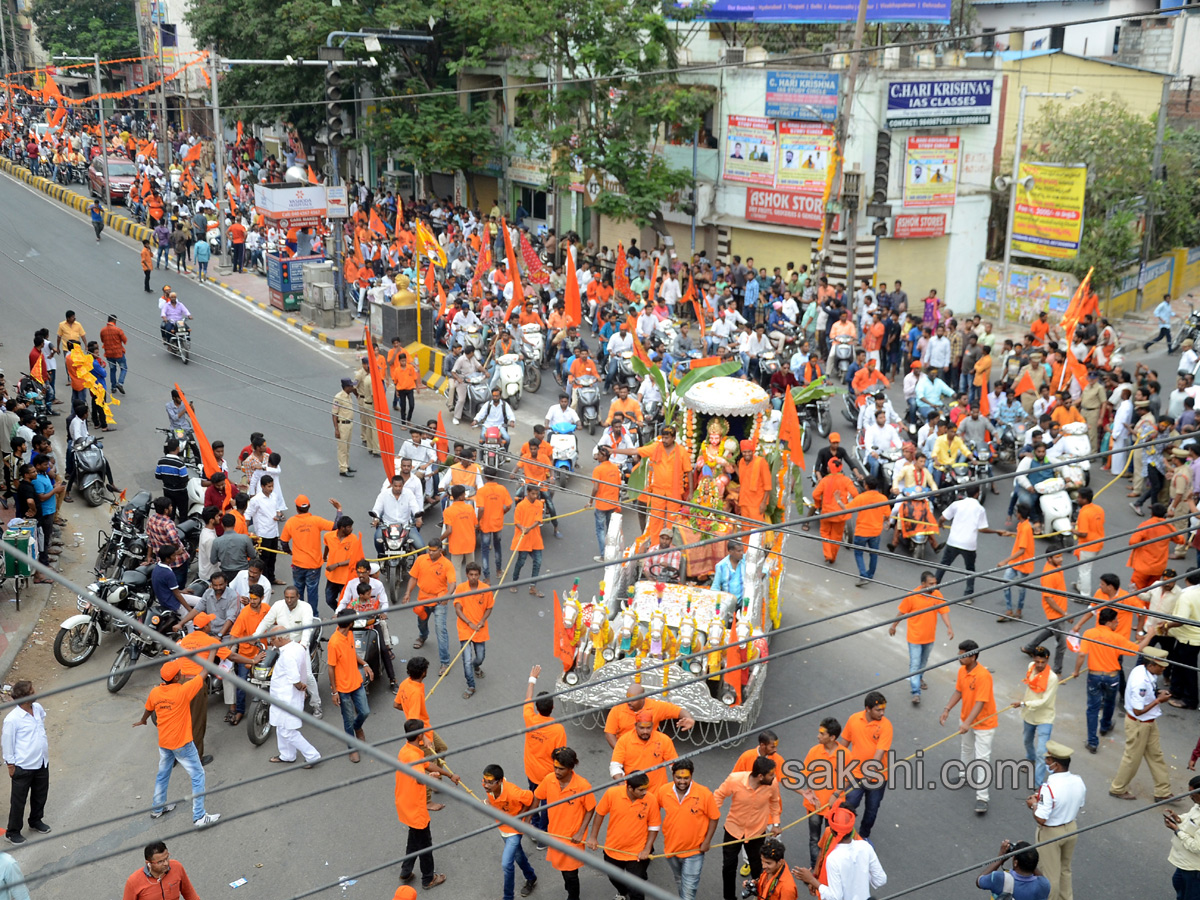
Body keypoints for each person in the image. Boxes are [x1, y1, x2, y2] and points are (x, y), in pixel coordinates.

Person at [133, 660, 219, 828]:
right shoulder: (183, 690)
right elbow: (202, 675)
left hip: (164, 742)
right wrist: (211, 656)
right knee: (198, 775)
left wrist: (143, 720)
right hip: (182, 744)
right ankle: (199, 816)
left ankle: (158, 808)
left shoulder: (155, 692)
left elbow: (149, 708)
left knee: (163, 773)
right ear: (178, 676)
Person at [1072, 608, 1159, 753]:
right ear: (1110, 622)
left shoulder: (1089, 633)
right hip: (1112, 677)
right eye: (1116, 621)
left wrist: (1076, 671)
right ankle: (1105, 726)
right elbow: (1136, 649)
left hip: (1094, 676)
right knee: (1110, 702)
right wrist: (1150, 635)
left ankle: (1092, 742)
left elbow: (1082, 654)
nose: (1117, 623)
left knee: (1092, 708)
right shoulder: (1116, 638)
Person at [396, 717, 458, 890]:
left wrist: (448, 775)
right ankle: (428, 879)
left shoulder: (407, 750)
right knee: (425, 844)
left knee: (414, 838)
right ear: (419, 735)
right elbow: (419, 776)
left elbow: (428, 765)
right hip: (416, 808)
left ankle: (406, 871)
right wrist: (429, 778)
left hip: (404, 803)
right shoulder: (414, 755)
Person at [940, 640, 998, 814]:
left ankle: (982, 797)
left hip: (984, 724)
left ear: (973, 656)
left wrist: (967, 723)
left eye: (963, 655)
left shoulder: (983, 676)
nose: (959, 657)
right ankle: (964, 776)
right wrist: (947, 709)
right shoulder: (962, 671)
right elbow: (959, 691)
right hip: (967, 719)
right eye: (959, 654)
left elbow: (980, 703)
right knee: (966, 749)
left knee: (982, 759)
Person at [1110, 645, 1174, 801]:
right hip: (1139, 723)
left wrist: (1157, 693)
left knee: (1156, 755)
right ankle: (1117, 788)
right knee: (1132, 758)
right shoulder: (1141, 682)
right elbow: (1138, 711)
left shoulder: (1143, 670)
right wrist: (1159, 700)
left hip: (1149, 722)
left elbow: (1150, 690)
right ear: (1151, 664)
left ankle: (1162, 792)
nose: (1163, 670)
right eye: (1160, 666)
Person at [714, 756, 781, 900]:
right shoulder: (734, 779)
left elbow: (775, 803)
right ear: (760, 776)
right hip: (733, 830)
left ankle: (760, 894)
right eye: (771, 774)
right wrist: (712, 815)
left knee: (758, 866)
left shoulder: (772, 784)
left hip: (757, 833)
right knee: (729, 867)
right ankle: (729, 897)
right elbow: (718, 795)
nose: (774, 776)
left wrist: (776, 824)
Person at [535, 746, 596, 900]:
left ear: (570, 768)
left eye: (561, 769)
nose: (557, 772)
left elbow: (590, 808)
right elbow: (537, 796)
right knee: (564, 871)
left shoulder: (583, 786)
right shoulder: (549, 780)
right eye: (555, 767)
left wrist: (581, 831)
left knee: (570, 874)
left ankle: (574, 897)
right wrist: (528, 820)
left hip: (572, 839)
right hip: (555, 835)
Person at [588, 771, 660, 900]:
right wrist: (593, 837)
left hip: (636, 853)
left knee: (636, 891)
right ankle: (622, 893)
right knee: (615, 878)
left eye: (646, 789)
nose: (645, 792)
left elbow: (654, 826)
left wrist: (647, 849)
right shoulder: (612, 794)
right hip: (613, 850)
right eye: (641, 790)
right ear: (630, 788)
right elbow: (599, 813)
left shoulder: (651, 799)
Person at [655, 759, 720, 900]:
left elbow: (714, 818)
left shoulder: (704, 794)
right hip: (671, 849)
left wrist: (707, 841)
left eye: (686, 778)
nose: (682, 781)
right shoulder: (663, 791)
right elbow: (652, 810)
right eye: (678, 777)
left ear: (692, 776)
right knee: (680, 880)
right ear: (673, 775)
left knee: (689, 889)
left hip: (695, 851)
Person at [1028, 740, 1085, 900]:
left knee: (1049, 875)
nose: (1046, 762)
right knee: (1065, 870)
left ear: (1056, 765)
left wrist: (1034, 805)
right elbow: (1079, 804)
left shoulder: (1049, 787)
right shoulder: (1078, 781)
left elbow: (1041, 819)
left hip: (1051, 834)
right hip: (1071, 828)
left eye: (1048, 760)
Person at [792, 807, 886, 900]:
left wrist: (811, 880)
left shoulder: (834, 858)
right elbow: (880, 880)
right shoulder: (865, 846)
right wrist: (860, 871)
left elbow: (835, 897)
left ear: (832, 831)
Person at [889, 572, 953, 705]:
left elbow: (944, 610)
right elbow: (902, 612)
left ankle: (919, 678)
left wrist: (949, 627)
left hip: (929, 637)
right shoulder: (911, 596)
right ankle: (915, 692)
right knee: (915, 664)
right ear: (923, 584)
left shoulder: (937, 594)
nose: (934, 586)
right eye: (931, 584)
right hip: (914, 638)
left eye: (935, 583)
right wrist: (894, 626)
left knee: (923, 663)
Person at [1, 680, 49, 845]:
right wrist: (11, 765)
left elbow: (41, 721)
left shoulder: (37, 708)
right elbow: (7, 743)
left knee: (40, 795)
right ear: (23, 698)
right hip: (23, 767)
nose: (35, 692)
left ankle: (35, 821)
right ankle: (12, 832)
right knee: (18, 801)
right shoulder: (12, 720)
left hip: (42, 762)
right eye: (31, 692)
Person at [935, 485, 1004, 598]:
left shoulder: (957, 504)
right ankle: (968, 593)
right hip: (969, 545)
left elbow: (942, 518)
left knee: (944, 564)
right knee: (970, 569)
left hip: (953, 541)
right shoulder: (980, 509)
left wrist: (940, 524)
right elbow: (982, 529)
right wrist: (996, 531)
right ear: (977, 494)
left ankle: (934, 587)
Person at [838, 692, 891, 838]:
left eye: (883, 709)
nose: (882, 713)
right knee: (848, 806)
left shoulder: (886, 725)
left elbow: (880, 752)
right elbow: (844, 744)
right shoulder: (854, 719)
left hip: (877, 778)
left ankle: (863, 836)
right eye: (878, 710)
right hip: (855, 775)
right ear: (868, 708)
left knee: (872, 810)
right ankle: (843, 835)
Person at [482, 763, 539, 900]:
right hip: (502, 828)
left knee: (507, 864)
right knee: (518, 856)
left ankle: (508, 897)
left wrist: (524, 820)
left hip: (514, 830)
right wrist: (488, 804)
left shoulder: (513, 792)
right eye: (484, 781)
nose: (486, 785)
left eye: (490, 782)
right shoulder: (488, 787)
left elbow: (532, 798)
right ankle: (531, 877)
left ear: (500, 781)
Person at [265, 630, 321, 767]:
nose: (270, 642)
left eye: (272, 639)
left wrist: (301, 687)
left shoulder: (287, 655)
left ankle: (312, 756)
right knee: (280, 726)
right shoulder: (296, 647)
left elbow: (295, 679)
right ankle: (287, 755)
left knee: (287, 731)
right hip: (284, 696)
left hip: (286, 698)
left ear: (279, 638)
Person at [524, 665, 567, 836]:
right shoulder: (557, 729)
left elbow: (527, 697)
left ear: (536, 707)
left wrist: (532, 678)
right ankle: (543, 832)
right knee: (546, 804)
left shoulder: (529, 718)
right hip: (548, 775)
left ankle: (533, 825)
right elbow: (561, 756)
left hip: (531, 771)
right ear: (552, 708)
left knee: (533, 797)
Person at [404, 539, 457, 675]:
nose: (431, 553)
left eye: (434, 550)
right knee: (421, 622)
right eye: (430, 550)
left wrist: (448, 595)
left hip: (440, 601)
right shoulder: (421, 559)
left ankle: (445, 662)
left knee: (441, 630)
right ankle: (423, 636)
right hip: (422, 599)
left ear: (441, 550)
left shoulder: (447, 564)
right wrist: (408, 593)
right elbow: (413, 578)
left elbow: (452, 583)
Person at [327, 612, 374, 762]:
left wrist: (364, 664)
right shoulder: (334, 642)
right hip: (342, 689)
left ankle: (358, 727)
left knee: (365, 712)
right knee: (347, 720)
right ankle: (351, 748)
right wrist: (334, 692)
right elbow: (330, 668)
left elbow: (352, 652)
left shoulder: (350, 634)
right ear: (350, 623)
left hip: (356, 682)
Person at [798, 720, 845, 866]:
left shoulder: (844, 754)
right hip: (814, 806)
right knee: (814, 838)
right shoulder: (814, 751)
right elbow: (807, 773)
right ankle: (815, 867)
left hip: (834, 806)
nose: (818, 736)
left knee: (832, 837)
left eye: (822, 733)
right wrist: (812, 792)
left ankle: (828, 867)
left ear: (832, 737)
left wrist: (835, 795)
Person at [1014, 646, 1059, 789]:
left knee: (1042, 752)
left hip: (1045, 717)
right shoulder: (1030, 667)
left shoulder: (1052, 678)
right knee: (1027, 740)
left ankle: (1037, 784)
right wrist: (1025, 705)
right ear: (1033, 659)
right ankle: (1030, 758)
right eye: (1037, 661)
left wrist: (1023, 703)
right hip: (1029, 715)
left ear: (1047, 660)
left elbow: (1045, 701)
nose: (1039, 665)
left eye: (1042, 662)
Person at [453, 562, 494, 699]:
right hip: (465, 629)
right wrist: (469, 623)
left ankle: (476, 667)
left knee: (480, 657)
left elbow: (489, 607)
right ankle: (471, 685)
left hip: (480, 630)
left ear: (479, 575)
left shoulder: (486, 589)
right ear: (467, 575)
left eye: (476, 575)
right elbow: (458, 609)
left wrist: (482, 621)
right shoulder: (460, 588)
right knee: (466, 660)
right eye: (471, 575)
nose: (473, 577)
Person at [610, 711, 677, 791]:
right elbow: (615, 766)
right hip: (634, 792)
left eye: (648, 728)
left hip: (657, 792)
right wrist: (622, 786)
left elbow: (674, 765)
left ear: (652, 726)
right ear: (635, 726)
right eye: (641, 728)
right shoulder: (624, 741)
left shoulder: (664, 740)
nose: (645, 731)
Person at [810, 459, 857, 564]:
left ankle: (828, 554)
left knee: (825, 533)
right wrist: (848, 507)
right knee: (837, 536)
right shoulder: (846, 480)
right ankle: (833, 557)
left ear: (829, 468)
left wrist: (818, 504)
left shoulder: (825, 480)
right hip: (841, 514)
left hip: (826, 513)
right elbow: (855, 495)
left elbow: (815, 494)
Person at [845, 477, 889, 585]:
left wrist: (837, 500)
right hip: (875, 532)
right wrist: (879, 521)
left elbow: (847, 508)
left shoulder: (862, 498)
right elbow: (887, 515)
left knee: (858, 554)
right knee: (874, 554)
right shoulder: (883, 498)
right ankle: (870, 575)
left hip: (862, 532)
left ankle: (863, 575)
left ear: (866, 486)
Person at [974, 840, 1050, 900]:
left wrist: (1000, 858)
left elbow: (979, 881)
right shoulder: (1043, 885)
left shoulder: (1000, 878)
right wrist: (1028, 856)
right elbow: (1041, 878)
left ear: (1016, 863)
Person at [123, 841, 201, 900]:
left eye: (167, 858)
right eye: (160, 862)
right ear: (148, 863)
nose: (166, 863)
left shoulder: (177, 867)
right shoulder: (133, 882)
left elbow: (190, 895)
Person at [1164, 775, 1200, 900]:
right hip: (1185, 863)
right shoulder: (1198, 805)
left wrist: (1177, 830)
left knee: (1191, 896)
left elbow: (1196, 847)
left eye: (1193, 794)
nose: (1191, 797)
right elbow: (1190, 817)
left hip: (1195, 869)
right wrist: (1178, 818)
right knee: (1178, 883)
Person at [332, 378, 358, 477]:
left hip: (349, 424)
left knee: (347, 447)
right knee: (342, 448)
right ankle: (342, 469)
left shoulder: (348, 395)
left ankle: (346, 465)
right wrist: (336, 429)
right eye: (351, 386)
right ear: (346, 387)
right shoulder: (338, 397)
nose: (352, 387)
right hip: (342, 425)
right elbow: (334, 414)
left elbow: (356, 391)